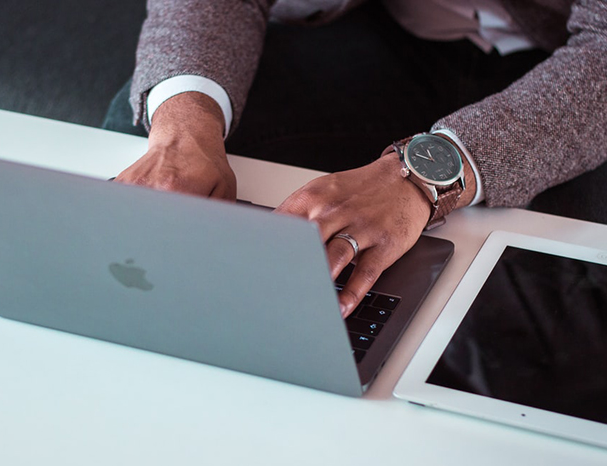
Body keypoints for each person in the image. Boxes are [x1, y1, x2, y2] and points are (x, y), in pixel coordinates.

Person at [102, 0, 607, 318]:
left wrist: (424, 176)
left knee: (549, 291)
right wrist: (185, 126)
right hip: (376, 24)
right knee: (158, 135)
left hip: (567, 61)